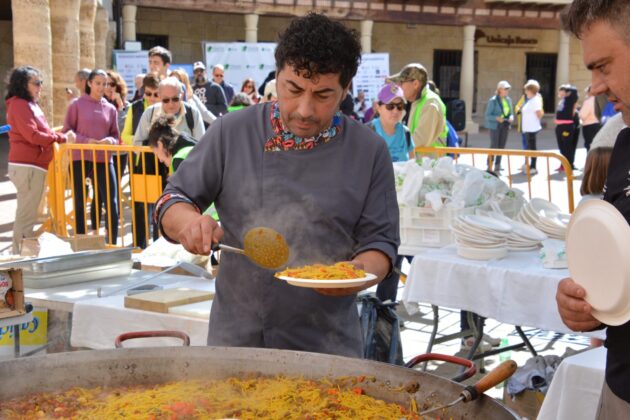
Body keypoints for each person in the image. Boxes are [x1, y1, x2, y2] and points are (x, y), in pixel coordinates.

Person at [155, 13, 398, 357]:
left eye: (324, 95)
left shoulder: (369, 151)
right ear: (277, 76)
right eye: (293, 89)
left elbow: (382, 241)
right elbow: (172, 200)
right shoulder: (231, 133)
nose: (304, 109)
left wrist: (353, 274)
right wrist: (189, 223)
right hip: (238, 337)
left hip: (328, 343)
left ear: (346, 90)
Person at [558, 1, 630, 416]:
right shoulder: (623, 144)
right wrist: (590, 305)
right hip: (621, 390)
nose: (596, 87)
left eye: (603, 66)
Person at [6, 66, 75, 254]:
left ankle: (20, 255)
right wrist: (61, 138)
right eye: (36, 83)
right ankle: (18, 256)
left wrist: (56, 135)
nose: (40, 87)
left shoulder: (28, 104)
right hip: (27, 166)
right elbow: (33, 135)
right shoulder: (20, 104)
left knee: (27, 215)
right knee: (26, 216)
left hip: (34, 165)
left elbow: (42, 132)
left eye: (41, 83)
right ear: (23, 84)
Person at [366, 82, 412, 304]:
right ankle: (381, 306)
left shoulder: (406, 132)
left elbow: (412, 166)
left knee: (403, 253)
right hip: (374, 205)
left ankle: (389, 305)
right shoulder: (369, 130)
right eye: (390, 106)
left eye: (400, 106)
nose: (395, 111)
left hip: (401, 205)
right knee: (387, 252)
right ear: (378, 106)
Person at [63, 69, 120, 245]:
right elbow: (67, 131)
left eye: (105, 84)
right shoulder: (76, 104)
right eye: (98, 83)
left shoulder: (111, 108)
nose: (101, 87)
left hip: (104, 159)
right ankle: (81, 240)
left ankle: (112, 242)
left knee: (111, 202)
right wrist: (87, 140)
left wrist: (109, 141)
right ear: (89, 83)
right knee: (80, 201)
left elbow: (116, 136)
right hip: (80, 157)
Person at [120, 73, 162, 249]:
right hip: (140, 163)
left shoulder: (165, 107)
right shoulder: (135, 107)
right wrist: (143, 142)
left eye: (155, 94)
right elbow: (125, 135)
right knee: (140, 208)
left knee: (160, 207)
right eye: (148, 94)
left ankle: (161, 246)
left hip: (161, 165)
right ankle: (140, 247)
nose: (152, 98)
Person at [388, 63, 448, 149]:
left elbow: (420, 140)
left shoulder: (430, 103)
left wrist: (390, 141)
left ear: (415, 84)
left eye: (401, 82)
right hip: (417, 161)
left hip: (429, 161)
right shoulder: (412, 102)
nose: (398, 86)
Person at [133, 76, 205, 147]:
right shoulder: (150, 113)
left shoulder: (192, 113)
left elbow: (202, 145)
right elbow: (137, 144)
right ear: (160, 97)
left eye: (175, 99)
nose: (171, 104)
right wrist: (158, 152)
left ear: (182, 95)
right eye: (166, 100)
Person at [484, 80, 514, 172]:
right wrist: (497, 118)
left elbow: (511, 113)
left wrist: (511, 117)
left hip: (505, 125)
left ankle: (498, 164)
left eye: (508, 89)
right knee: (494, 145)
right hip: (495, 126)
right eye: (505, 89)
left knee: (502, 145)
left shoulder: (508, 100)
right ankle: (489, 165)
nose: (507, 91)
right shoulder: (493, 100)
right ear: (499, 89)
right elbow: (488, 115)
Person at [520, 79, 544, 175]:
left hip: (532, 128)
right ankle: (530, 164)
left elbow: (539, 113)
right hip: (527, 128)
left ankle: (533, 166)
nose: (525, 92)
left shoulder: (535, 100)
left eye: (526, 90)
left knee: (532, 148)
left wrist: (535, 122)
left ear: (530, 90)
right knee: (529, 147)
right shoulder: (531, 100)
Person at [554, 84, 579, 171]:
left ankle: (569, 165)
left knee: (567, 147)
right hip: (559, 126)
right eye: (559, 90)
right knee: (561, 147)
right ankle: (562, 165)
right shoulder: (562, 101)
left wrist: (567, 88)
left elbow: (575, 91)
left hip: (567, 126)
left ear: (567, 92)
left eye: (562, 90)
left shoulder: (570, 99)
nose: (560, 92)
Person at [580, 85, 602, 152]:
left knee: (589, 146)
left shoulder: (588, 101)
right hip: (599, 125)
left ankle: (591, 162)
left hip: (589, 126)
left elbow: (583, 115)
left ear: (590, 92)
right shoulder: (601, 100)